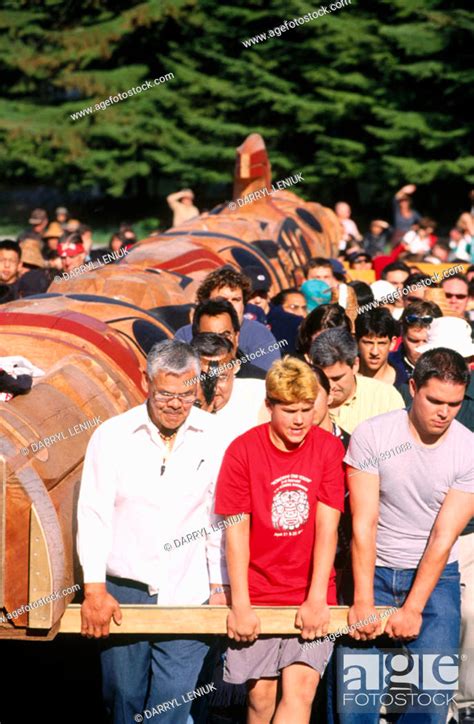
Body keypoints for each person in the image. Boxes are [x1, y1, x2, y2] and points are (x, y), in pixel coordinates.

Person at [77, 340, 229, 724]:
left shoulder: (217, 436)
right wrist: (94, 588)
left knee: (172, 705)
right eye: (166, 393)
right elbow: (93, 514)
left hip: (189, 589)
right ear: (146, 382)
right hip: (124, 591)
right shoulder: (112, 436)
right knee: (123, 699)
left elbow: (220, 519)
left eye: (187, 394)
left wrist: (218, 586)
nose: (177, 404)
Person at [338, 348, 474, 724]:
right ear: (412, 387)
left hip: (435, 579)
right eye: (434, 400)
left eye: (455, 403)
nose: (444, 412)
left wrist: (413, 607)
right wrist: (363, 601)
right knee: (357, 703)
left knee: (433, 697)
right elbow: (363, 522)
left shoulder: (468, 450)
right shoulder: (373, 434)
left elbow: (443, 536)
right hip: (373, 571)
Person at [215, 356, 345, 724]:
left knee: (301, 691)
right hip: (258, 589)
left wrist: (317, 596)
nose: (300, 420)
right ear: (269, 405)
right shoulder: (242, 451)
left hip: (311, 589)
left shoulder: (327, 449)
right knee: (261, 697)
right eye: (289, 410)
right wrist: (241, 604)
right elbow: (236, 534)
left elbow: (327, 527)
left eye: (307, 409)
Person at [175, 267, 281, 371]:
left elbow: (265, 380)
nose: (230, 305)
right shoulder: (185, 334)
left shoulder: (260, 334)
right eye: (222, 299)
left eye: (236, 299)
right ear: (206, 301)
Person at [310, 328, 405, 434]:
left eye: (337, 378)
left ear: (355, 365)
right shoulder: (301, 401)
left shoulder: (386, 398)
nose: (331, 386)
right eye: (324, 379)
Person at [190, 333, 269, 443]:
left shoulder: (259, 395)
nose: (214, 388)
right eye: (205, 378)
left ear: (235, 368)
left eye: (222, 377)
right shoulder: (179, 402)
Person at [191, 298, 273, 380]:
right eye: (210, 337)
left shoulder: (260, 383)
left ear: (236, 337)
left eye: (224, 336)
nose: (218, 344)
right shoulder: (184, 384)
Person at [388, 300, 443, 383]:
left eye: (427, 341)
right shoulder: (387, 364)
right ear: (402, 334)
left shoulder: (453, 368)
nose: (421, 348)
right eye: (414, 341)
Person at [355, 308, 405, 388]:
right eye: (368, 343)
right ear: (356, 342)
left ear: (392, 343)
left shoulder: (404, 384)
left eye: (382, 343)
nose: (375, 352)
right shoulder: (344, 378)